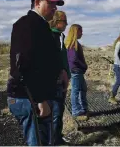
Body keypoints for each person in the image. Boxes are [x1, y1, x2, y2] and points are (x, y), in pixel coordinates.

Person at [6, 0, 65, 146]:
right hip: (28, 97)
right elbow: (24, 65)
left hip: (33, 96)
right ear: (37, 3)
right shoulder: (27, 24)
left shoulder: (40, 25)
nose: (55, 8)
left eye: (56, 5)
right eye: (51, 4)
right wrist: (39, 99)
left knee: (44, 140)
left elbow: (43, 59)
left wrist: (60, 70)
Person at [48, 10, 71, 145]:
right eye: (65, 22)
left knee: (59, 110)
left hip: (61, 81)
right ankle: (53, 141)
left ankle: (57, 137)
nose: (66, 24)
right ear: (57, 22)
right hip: (55, 81)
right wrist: (61, 75)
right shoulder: (50, 36)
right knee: (55, 112)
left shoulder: (60, 36)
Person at [65, 24, 89, 120]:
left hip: (77, 70)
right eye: (80, 31)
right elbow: (73, 59)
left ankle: (83, 108)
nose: (82, 33)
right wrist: (83, 65)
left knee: (82, 89)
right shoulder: (72, 44)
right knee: (75, 91)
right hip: (76, 71)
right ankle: (76, 111)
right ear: (76, 32)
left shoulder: (75, 43)